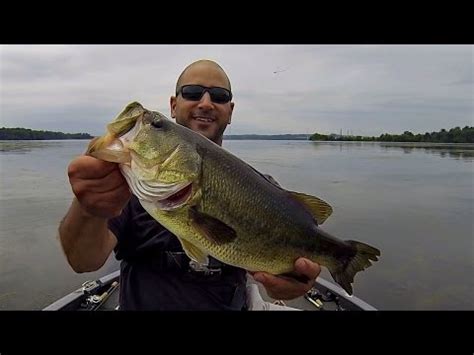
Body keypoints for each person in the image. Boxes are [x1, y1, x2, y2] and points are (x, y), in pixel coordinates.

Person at [58, 59, 321, 310]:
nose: (206, 103)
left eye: (219, 96)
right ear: (173, 105)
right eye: (193, 92)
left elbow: (289, 271)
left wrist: (294, 282)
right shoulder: (126, 186)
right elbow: (83, 261)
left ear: (230, 111)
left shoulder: (264, 191)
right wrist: (88, 209)